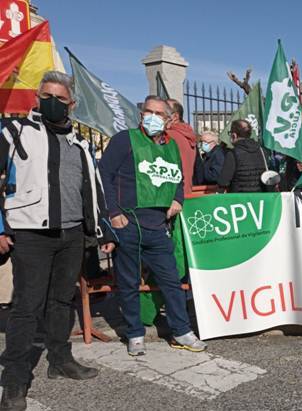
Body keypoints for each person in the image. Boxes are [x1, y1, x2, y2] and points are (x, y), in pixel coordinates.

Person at [0, 71, 116, 410]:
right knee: (26, 307)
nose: (52, 102)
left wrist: (102, 229)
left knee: (61, 302)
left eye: (60, 99)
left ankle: (59, 360)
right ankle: (14, 381)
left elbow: (93, 190)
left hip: (71, 233)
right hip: (31, 233)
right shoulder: (15, 132)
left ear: (72, 105)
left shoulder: (79, 143)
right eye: (46, 96)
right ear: (37, 98)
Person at [100, 95, 207, 356]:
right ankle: (135, 333)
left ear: (169, 118)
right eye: (147, 111)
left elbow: (180, 179)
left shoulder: (172, 147)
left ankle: (181, 330)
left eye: (159, 113)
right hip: (129, 222)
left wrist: (178, 200)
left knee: (171, 280)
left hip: (159, 225)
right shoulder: (124, 140)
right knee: (128, 282)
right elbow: (104, 174)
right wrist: (113, 213)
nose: (152, 117)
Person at [217, 119, 272, 192]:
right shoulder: (262, 151)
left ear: (234, 135)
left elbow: (223, 182)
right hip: (260, 199)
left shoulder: (233, 153)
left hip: (240, 200)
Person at [166, 99, 197, 195]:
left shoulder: (169, 135)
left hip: (170, 195)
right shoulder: (187, 134)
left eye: (164, 111)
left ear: (175, 116)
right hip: (185, 191)